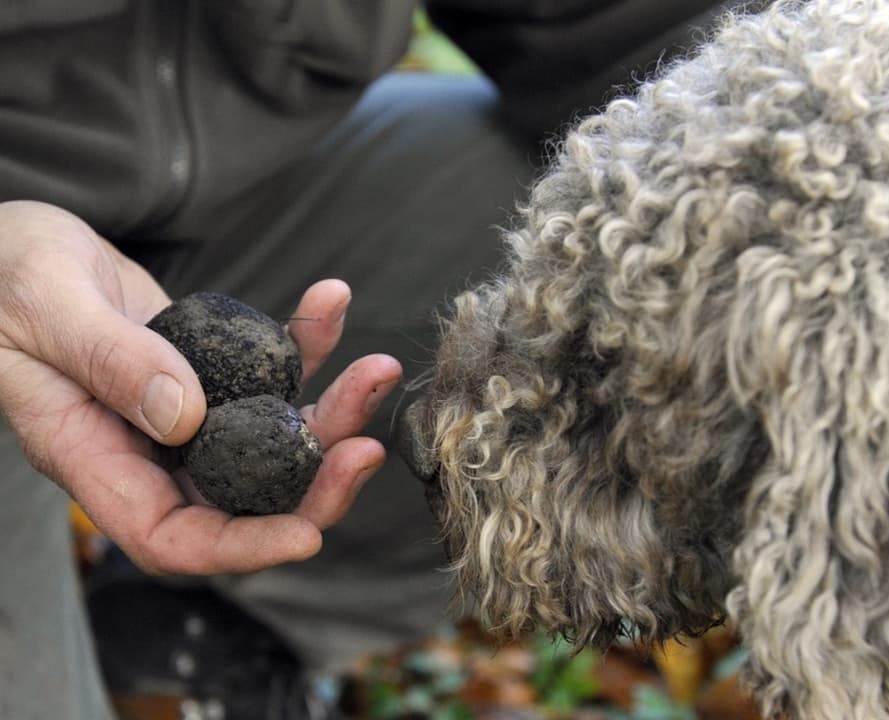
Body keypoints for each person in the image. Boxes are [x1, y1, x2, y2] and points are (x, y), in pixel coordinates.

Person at [0, 1, 742, 717]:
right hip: (15, 269)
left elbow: (618, 25)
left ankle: (192, 631)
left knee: (584, 194)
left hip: (246, 204)